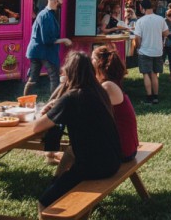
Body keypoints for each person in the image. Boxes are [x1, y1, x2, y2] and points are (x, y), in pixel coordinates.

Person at [33, 51, 121, 217]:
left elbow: (37, 127)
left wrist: (45, 112)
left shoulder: (71, 97)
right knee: (69, 161)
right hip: (113, 160)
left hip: (94, 166)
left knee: (44, 203)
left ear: (69, 73)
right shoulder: (99, 92)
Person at [91, 46, 139, 161]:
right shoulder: (111, 82)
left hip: (123, 150)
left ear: (98, 63)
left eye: (91, 59)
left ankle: (58, 179)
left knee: (72, 151)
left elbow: (90, 112)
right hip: (127, 147)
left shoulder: (107, 86)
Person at [24, 0, 72, 95]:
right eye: (62, 0)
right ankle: (53, 104)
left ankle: (23, 103)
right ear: (56, 1)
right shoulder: (46, 16)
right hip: (44, 52)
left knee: (33, 78)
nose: (62, 2)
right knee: (54, 78)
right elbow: (47, 40)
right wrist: (65, 40)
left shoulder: (44, 14)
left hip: (36, 51)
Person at [134, 0, 169, 104]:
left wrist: (138, 47)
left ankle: (149, 97)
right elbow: (166, 33)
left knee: (146, 74)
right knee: (154, 74)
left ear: (142, 8)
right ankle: (156, 97)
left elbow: (137, 38)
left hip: (145, 50)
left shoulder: (140, 21)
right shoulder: (160, 19)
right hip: (157, 50)